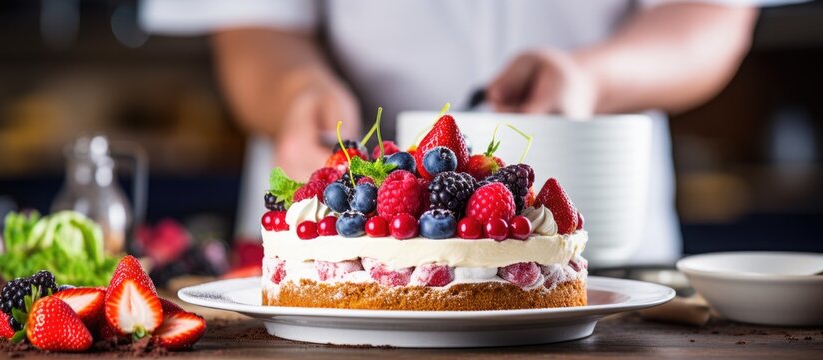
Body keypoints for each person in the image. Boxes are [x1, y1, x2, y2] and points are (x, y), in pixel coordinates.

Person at [141, 0, 759, 264]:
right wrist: (297, 96)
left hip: (599, 242)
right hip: (341, 230)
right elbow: (254, 26)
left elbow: (713, 15)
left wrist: (588, 78)